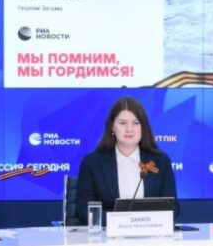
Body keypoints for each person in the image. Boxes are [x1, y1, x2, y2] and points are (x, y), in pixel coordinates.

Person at [75, 96, 178, 225]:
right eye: (122, 123)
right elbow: (83, 209)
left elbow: (173, 209)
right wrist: (122, 223)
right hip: (107, 235)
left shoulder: (161, 161)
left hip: (150, 234)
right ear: (112, 127)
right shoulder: (92, 163)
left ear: (143, 127)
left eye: (135, 123)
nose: (129, 129)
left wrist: (142, 223)